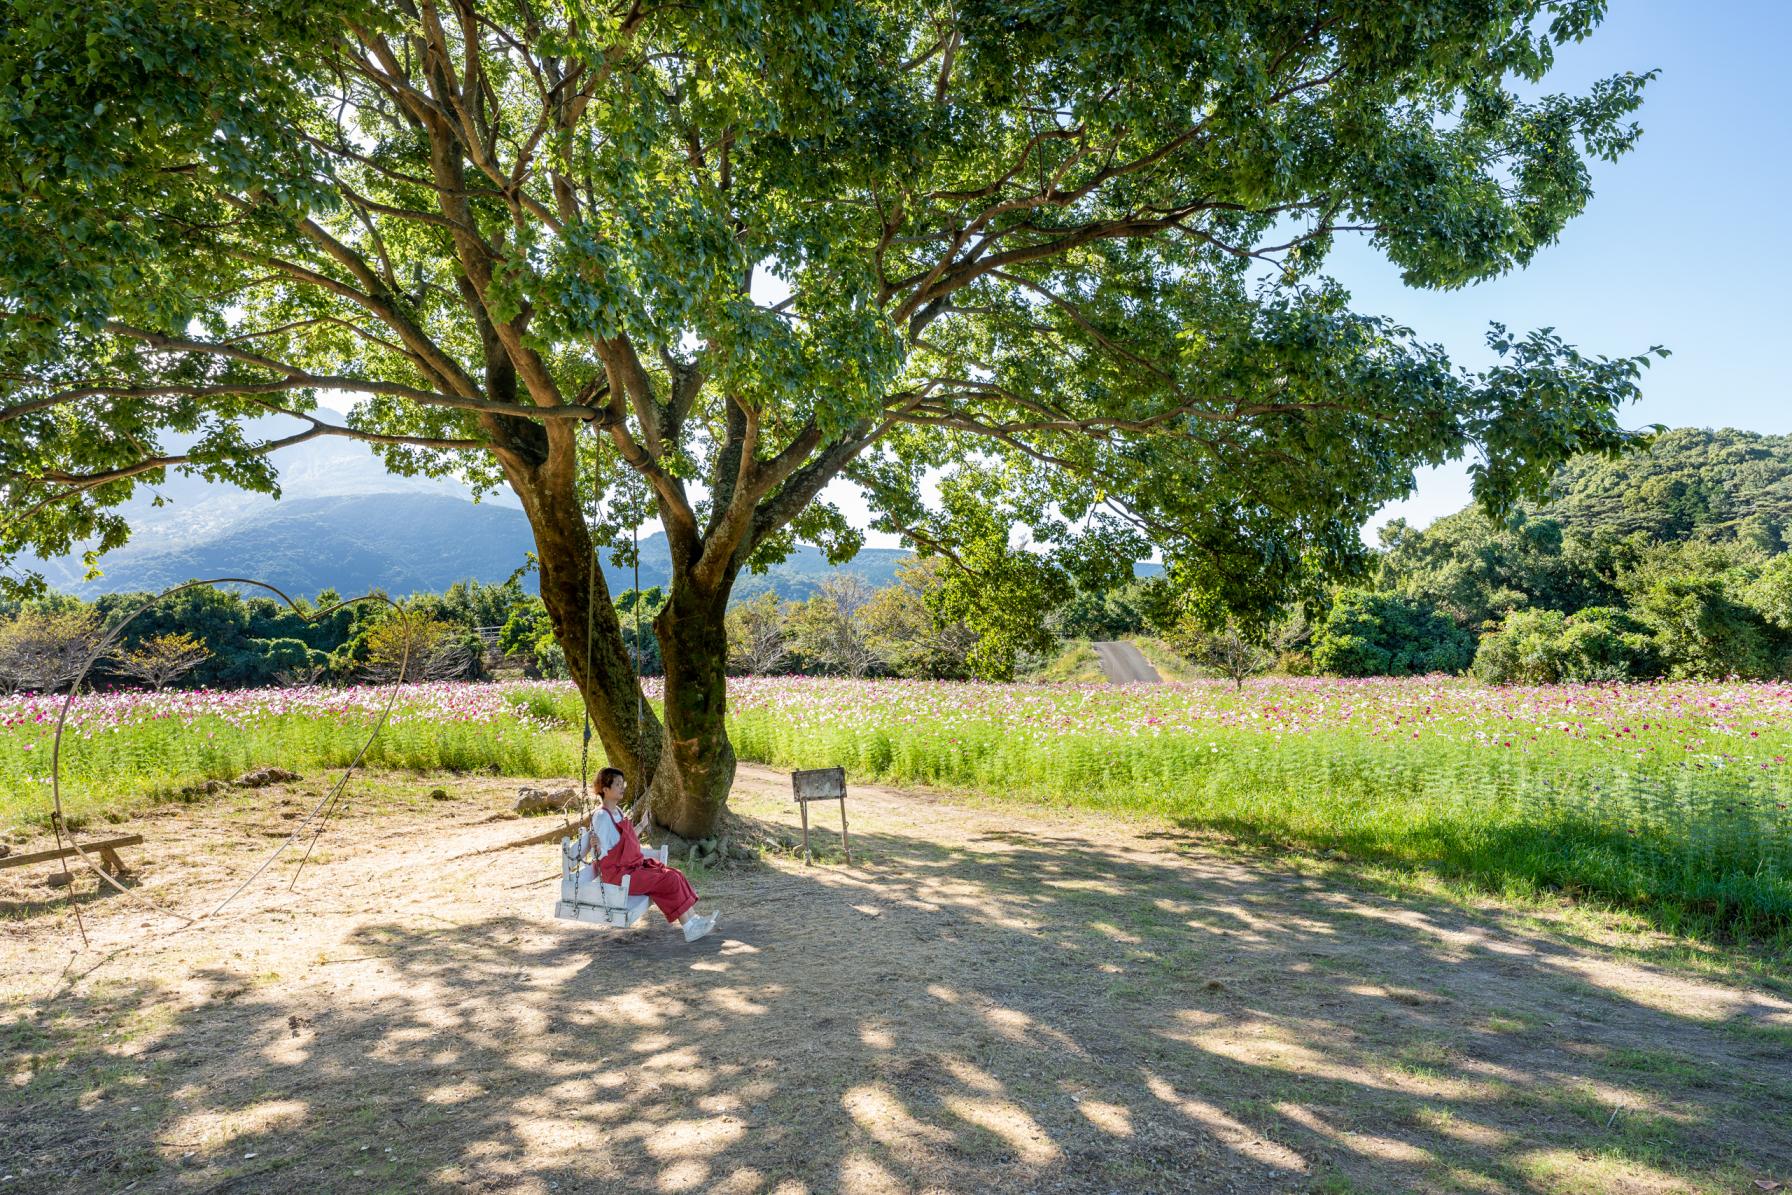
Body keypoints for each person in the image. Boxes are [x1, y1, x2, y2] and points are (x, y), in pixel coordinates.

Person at [590, 766, 718, 943]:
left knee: (674, 874)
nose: (622, 787)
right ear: (605, 789)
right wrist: (595, 846)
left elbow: (624, 840)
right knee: (668, 880)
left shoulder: (617, 812)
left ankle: (694, 920)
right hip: (619, 874)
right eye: (617, 784)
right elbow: (600, 851)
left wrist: (642, 825)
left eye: (622, 783)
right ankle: (689, 928)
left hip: (630, 866)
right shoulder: (601, 817)